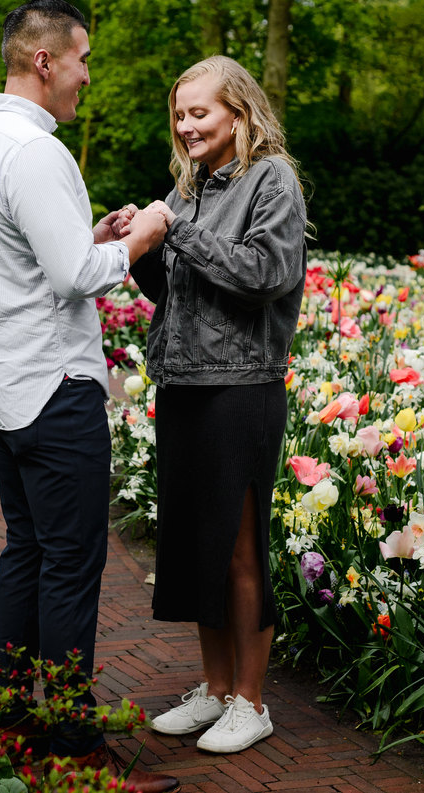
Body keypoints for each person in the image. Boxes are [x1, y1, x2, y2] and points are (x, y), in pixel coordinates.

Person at [0, 0, 176, 792]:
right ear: (45, 61)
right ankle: (75, 749)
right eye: (82, 59)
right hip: (55, 388)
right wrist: (145, 233)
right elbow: (76, 279)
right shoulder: (38, 153)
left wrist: (96, 240)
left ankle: (12, 720)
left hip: (2, 388)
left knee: (27, 552)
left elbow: (31, 259)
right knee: (72, 565)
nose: (86, 76)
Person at [125, 55, 308, 754]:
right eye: (180, 113)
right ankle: (215, 688)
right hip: (183, 384)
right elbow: (175, 293)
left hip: (242, 387)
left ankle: (251, 700)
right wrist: (139, 245)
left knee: (237, 547)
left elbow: (267, 272)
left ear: (240, 111)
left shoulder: (273, 180)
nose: (187, 124)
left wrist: (177, 230)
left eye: (200, 111)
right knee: (196, 544)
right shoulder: (189, 186)